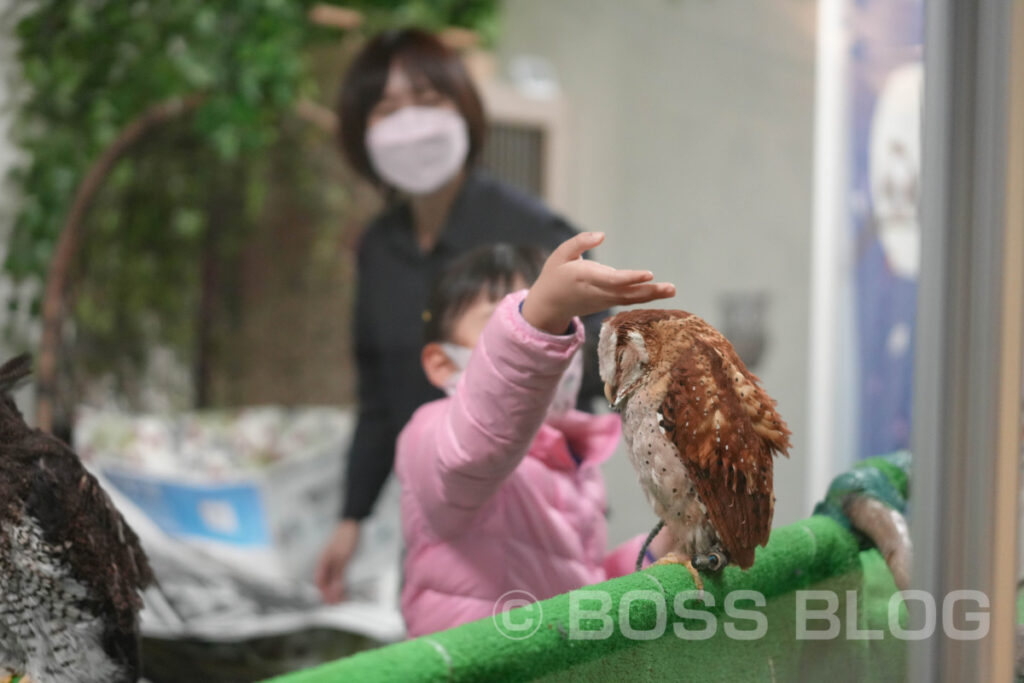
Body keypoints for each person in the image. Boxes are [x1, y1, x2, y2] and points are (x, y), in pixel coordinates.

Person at [315, 28, 603, 603]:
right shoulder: (377, 248)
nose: (411, 123)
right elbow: (379, 397)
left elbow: (598, 365)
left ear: (464, 112)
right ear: (361, 132)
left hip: (533, 525)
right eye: (387, 109)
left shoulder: (531, 231)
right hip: (432, 525)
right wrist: (351, 518)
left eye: (428, 101)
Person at [397, 233, 675, 635]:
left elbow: (583, 592)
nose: (552, 331)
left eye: (564, 320)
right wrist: (541, 314)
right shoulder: (431, 432)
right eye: (505, 320)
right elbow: (477, 447)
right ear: (442, 363)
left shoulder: (574, 462)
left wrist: (657, 549)